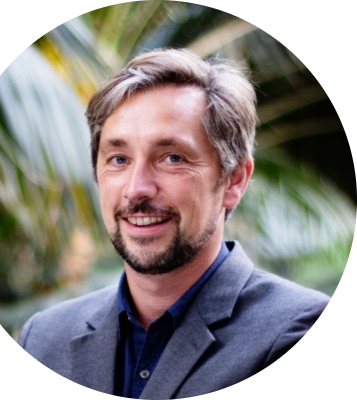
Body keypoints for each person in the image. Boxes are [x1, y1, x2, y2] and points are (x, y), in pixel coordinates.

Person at [18, 48, 331, 399]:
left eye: (172, 158)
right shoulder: (44, 340)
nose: (136, 188)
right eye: (118, 159)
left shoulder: (310, 333)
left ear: (234, 180)